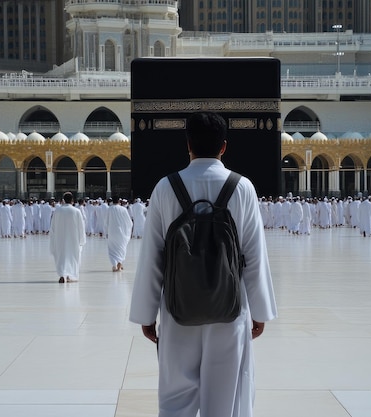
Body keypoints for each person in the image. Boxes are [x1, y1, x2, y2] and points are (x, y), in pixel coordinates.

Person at [129, 111, 277, 417]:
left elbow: (154, 256)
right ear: (224, 146)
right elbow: (253, 254)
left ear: (188, 145)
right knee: (226, 396)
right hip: (229, 308)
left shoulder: (166, 187)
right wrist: (260, 310)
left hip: (178, 308)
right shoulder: (243, 187)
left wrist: (146, 313)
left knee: (176, 396)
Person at [49, 192, 86, 283]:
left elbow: (52, 227)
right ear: (72, 200)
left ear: (63, 200)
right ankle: (70, 276)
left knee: (61, 256)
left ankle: (62, 274)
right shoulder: (76, 211)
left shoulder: (57, 211)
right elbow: (81, 227)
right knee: (73, 257)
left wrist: (53, 239)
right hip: (74, 239)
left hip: (60, 239)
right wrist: (82, 240)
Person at [106, 196, 132, 271]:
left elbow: (106, 222)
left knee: (112, 249)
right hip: (122, 233)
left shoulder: (109, 209)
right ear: (119, 201)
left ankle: (114, 265)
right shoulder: (123, 209)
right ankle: (119, 265)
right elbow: (129, 222)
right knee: (121, 249)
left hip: (112, 232)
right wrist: (128, 231)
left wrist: (106, 232)